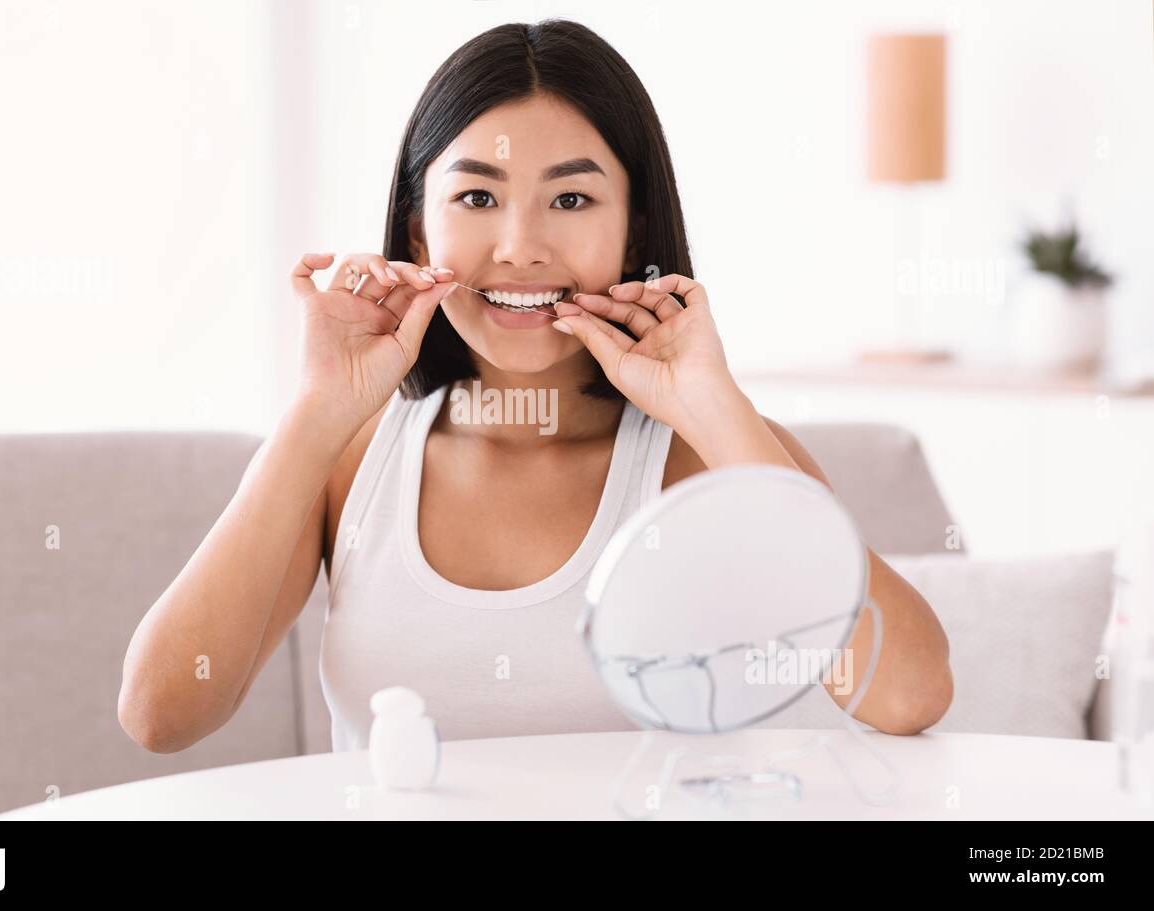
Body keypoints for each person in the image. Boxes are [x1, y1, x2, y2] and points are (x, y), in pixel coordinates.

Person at [118, 19, 952, 755]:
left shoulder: (700, 457)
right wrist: (315, 412)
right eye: (478, 194)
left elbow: (908, 693)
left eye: (573, 197)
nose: (520, 247)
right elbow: (160, 712)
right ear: (418, 226)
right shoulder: (348, 458)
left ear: (634, 236)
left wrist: (716, 407)